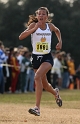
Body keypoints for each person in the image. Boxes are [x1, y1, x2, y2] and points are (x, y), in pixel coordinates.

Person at [19, 7, 62, 116]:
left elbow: (57, 31)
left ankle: (37, 108)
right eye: (39, 14)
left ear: (47, 17)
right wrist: (34, 29)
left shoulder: (50, 27)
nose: (41, 16)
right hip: (35, 57)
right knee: (45, 85)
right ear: (37, 16)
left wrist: (60, 42)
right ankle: (56, 93)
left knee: (37, 76)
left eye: (43, 14)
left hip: (47, 57)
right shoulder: (33, 26)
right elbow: (21, 37)